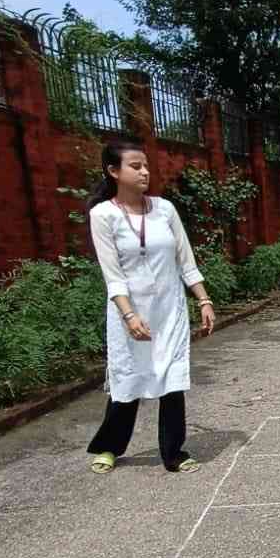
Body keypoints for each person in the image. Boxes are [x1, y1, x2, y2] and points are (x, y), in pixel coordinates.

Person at [85, 141, 215, 474]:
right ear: (113, 171)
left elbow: (185, 260)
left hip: (169, 310)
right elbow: (112, 275)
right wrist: (128, 315)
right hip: (129, 312)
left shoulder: (164, 209)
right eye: (135, 166)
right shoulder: (103, 215)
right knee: (128, 379)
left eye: (146, 166)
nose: (144, 172)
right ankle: (109, 447)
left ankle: (174, 453)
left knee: (172, 378)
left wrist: (203, 299)